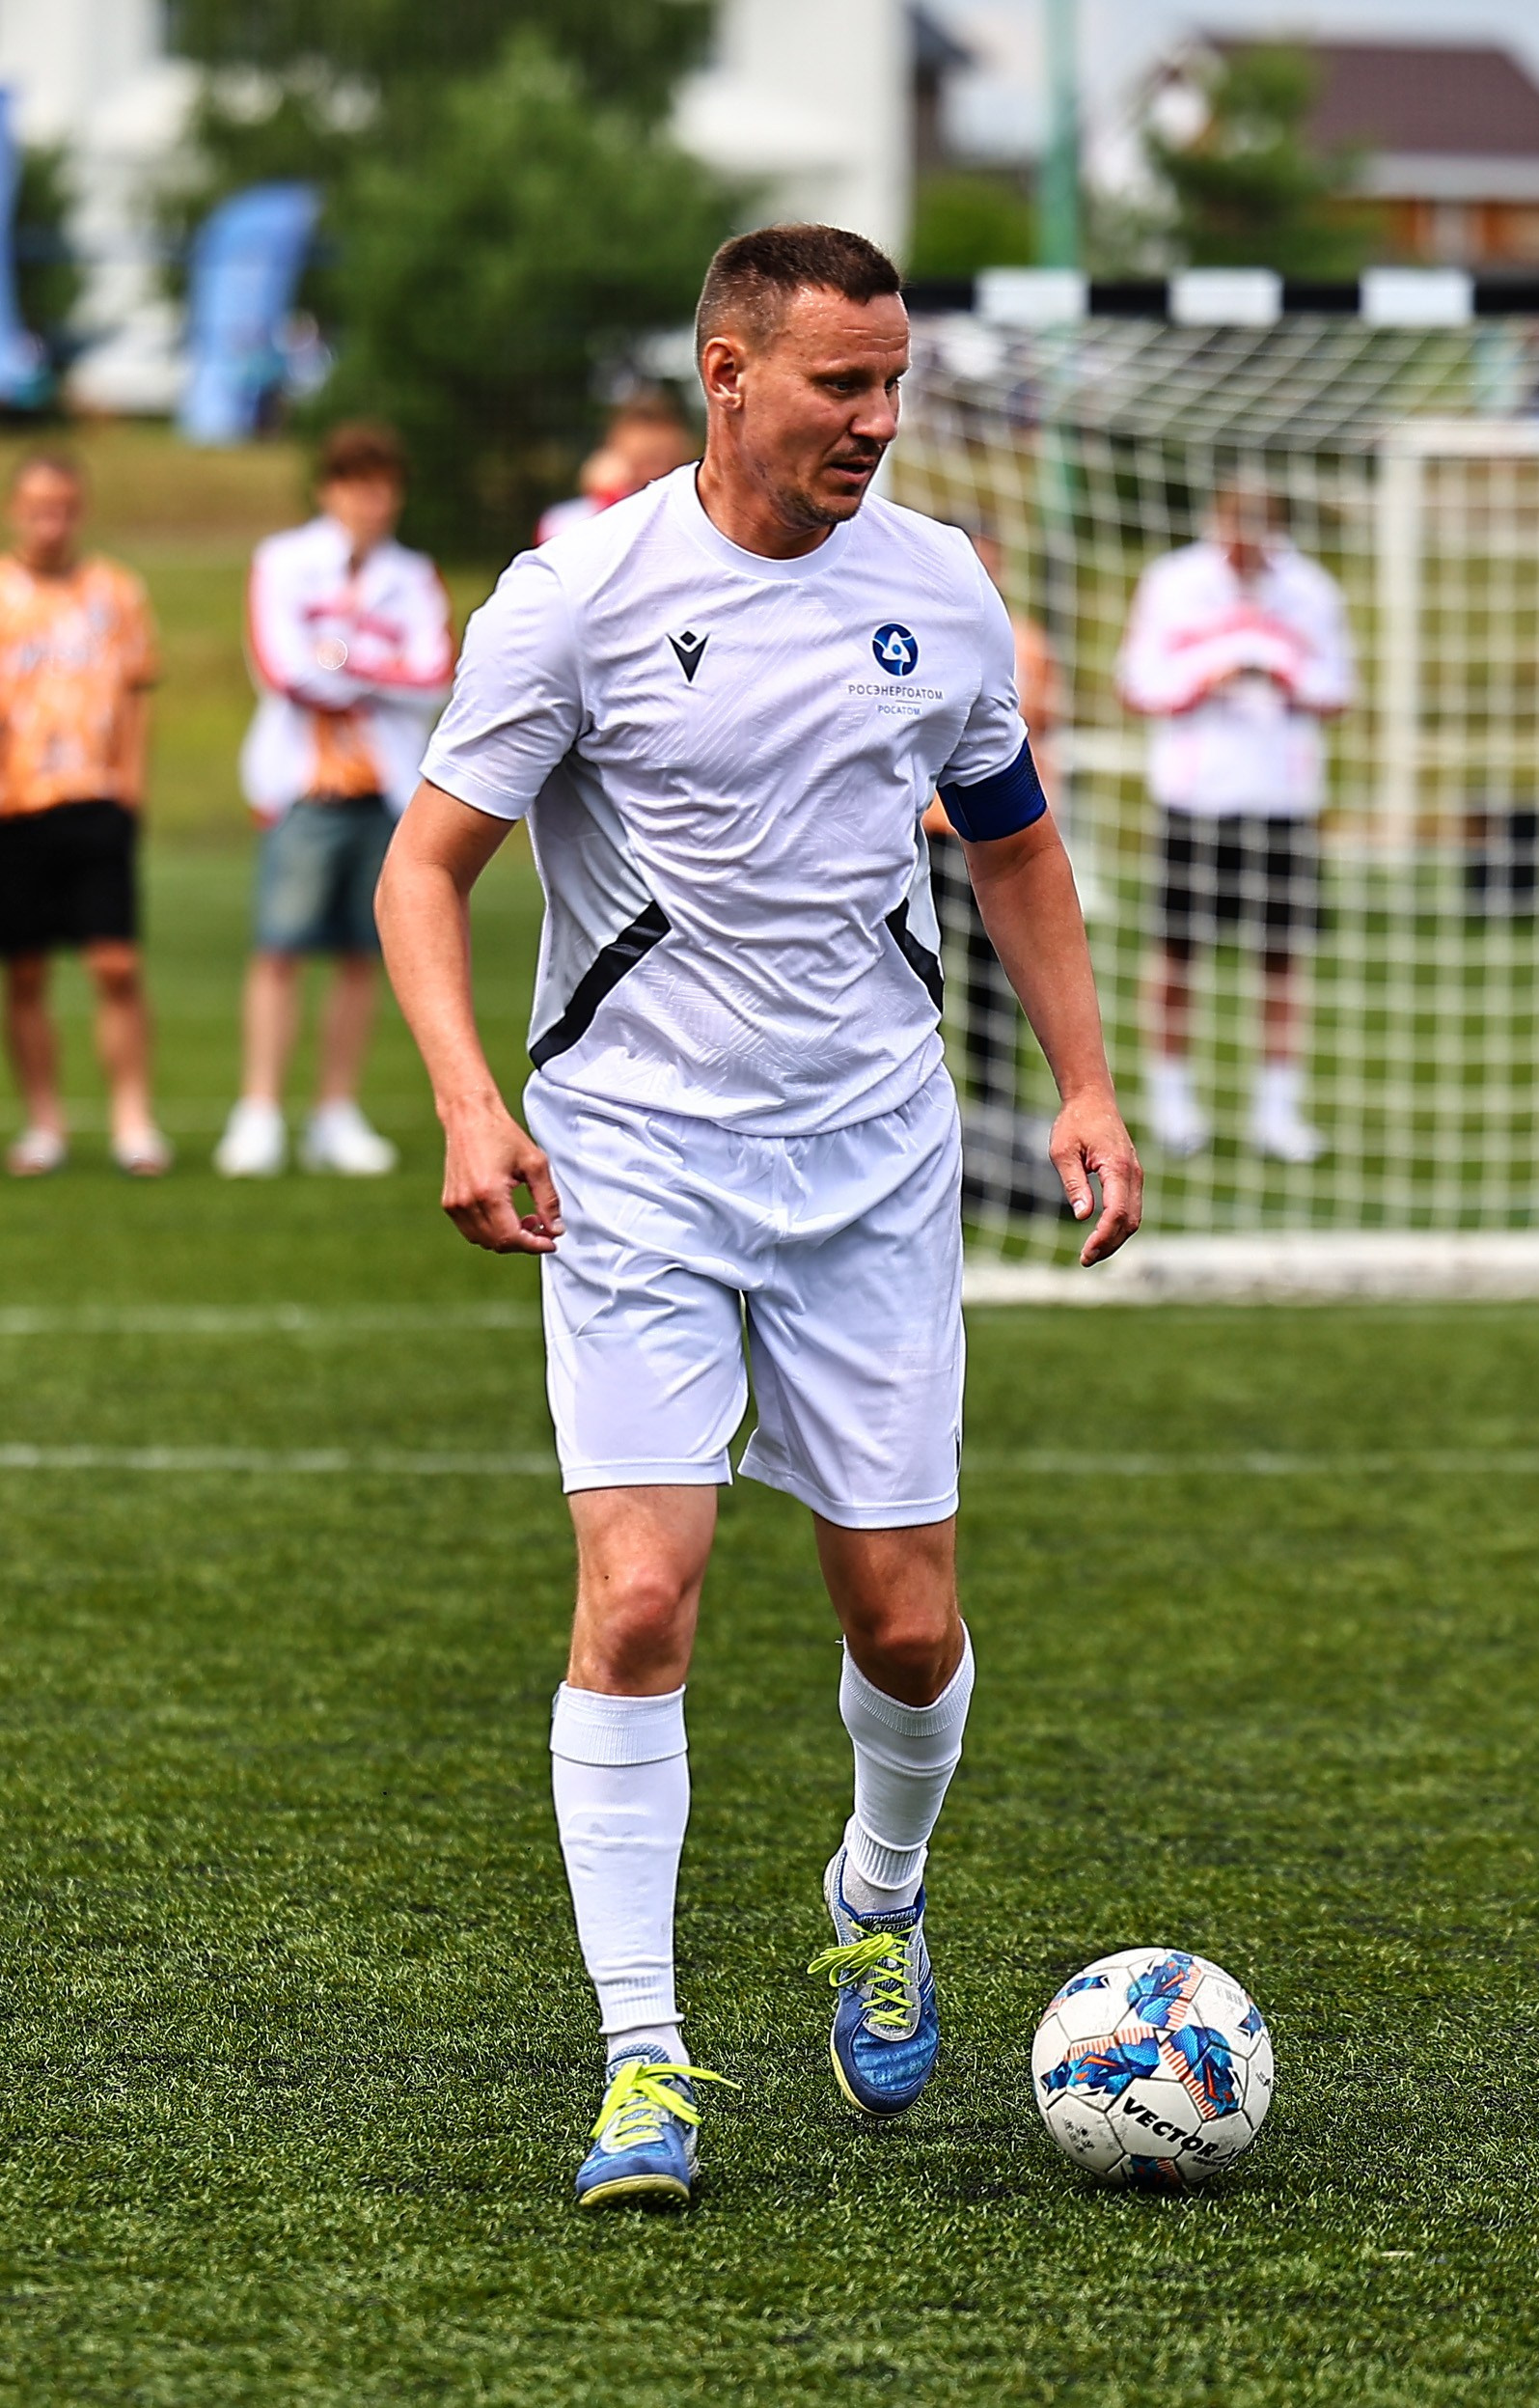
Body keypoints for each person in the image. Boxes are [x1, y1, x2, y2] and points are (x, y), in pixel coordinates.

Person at [376, 225, 1141, 2210]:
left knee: (905, 1618)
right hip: (632, 1161)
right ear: (729, 375)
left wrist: (1083, 1083)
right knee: (639, 1597)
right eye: (839, 384)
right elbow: (424, 868)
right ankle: (642, 2060)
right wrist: (467, 1096)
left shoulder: (939, 585)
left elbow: (1015, 845)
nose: (876, 421)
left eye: (893, 385)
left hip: (871, 1160)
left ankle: (875, 1896)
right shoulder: (578, 598)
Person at [213, 422, 454, 1179]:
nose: (370, 503)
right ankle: (258, 1111)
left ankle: (335, 1110)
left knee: (361, 954)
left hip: (385, 786)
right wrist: (374, 661)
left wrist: (342, 658)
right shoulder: (283, 561)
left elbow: (435, 676)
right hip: (304, 787)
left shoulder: (412, 575)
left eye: (383, 489)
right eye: (356, 486)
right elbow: (283, 669)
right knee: (280, 948)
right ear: (329, 490)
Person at [1116, 482, 1353, 1164]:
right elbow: (1136, 683)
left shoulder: (1311, 589)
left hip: (1282, 799)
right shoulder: (1173, 582)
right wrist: (1203, 681)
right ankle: (1173, 1106)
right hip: (1197, 799)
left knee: (1281, 958)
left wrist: (1287, 681)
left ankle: (1277, 1113)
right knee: (1176, 954)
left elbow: (1338, 688)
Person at [0, 451, 168, 1177]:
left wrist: (131, 786)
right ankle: (45, 1123)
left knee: (115, 964)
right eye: (39, 508)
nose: (52, 522)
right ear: (16, 509)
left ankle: (133, 1119)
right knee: (26, 970)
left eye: (64, 508)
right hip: (16, 807)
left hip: (97, 800)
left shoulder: (116, 591)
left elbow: (136, 692)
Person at [923, 525, 1058, 1206]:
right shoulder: (914, 633)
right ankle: (925, 1105)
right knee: (923, 972)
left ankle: (999, 1114)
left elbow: (1038, 721)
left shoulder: (1019, 638)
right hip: (932, 834)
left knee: (996, 981)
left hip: (999, 836)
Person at [536, 392, 698, 546]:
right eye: (643, 429)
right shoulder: (564, 521)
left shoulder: (695, 512)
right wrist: (608, 498)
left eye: (663, 429)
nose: (654, 443)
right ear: (613, 442)